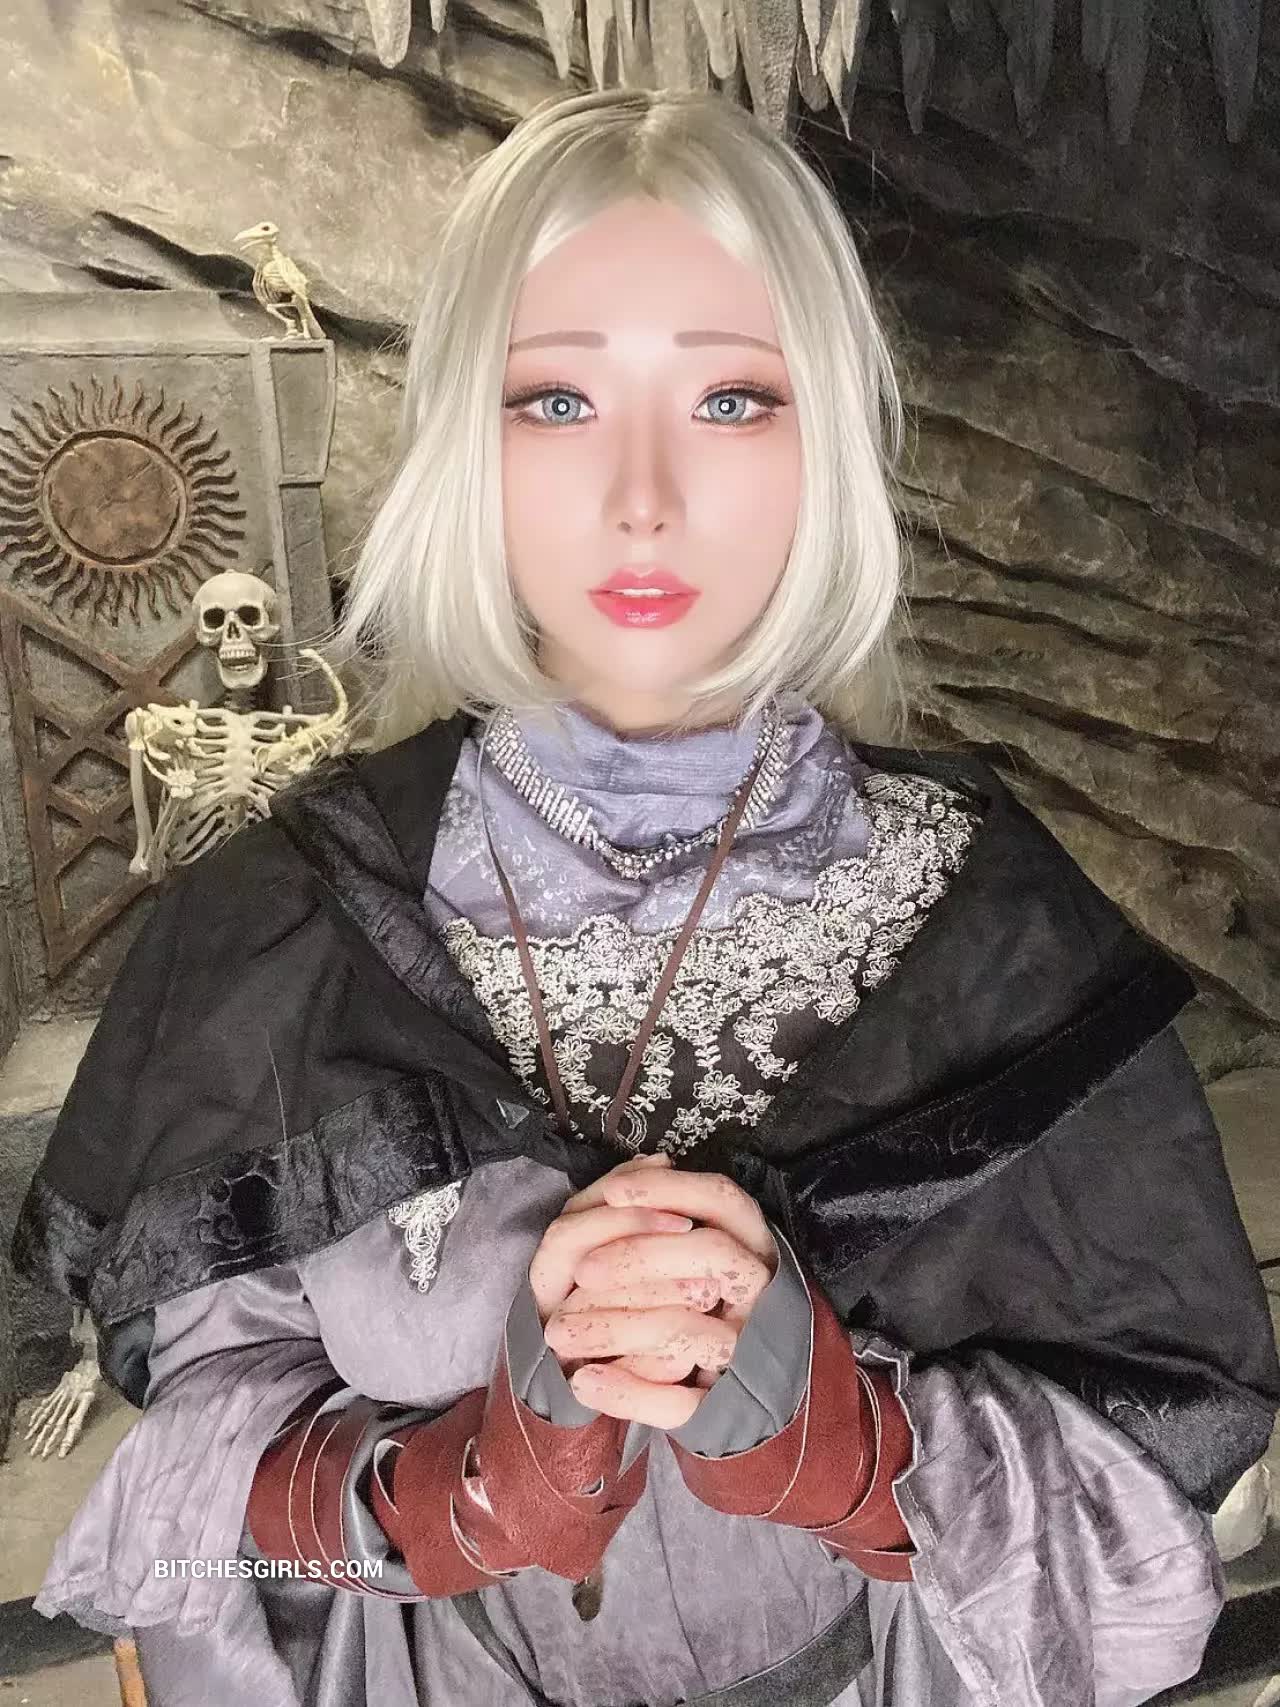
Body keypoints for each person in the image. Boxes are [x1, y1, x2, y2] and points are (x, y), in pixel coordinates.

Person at [11, 87, 1279, 1707]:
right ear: (464, 439)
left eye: (733, 399)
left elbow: (1157, 1492)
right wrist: (437, 1498)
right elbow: (187, 1502)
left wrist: (858, 1451)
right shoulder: (284, 918)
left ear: (829, 436)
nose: (643, 494)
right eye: (556, 401)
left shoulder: (998, 931)